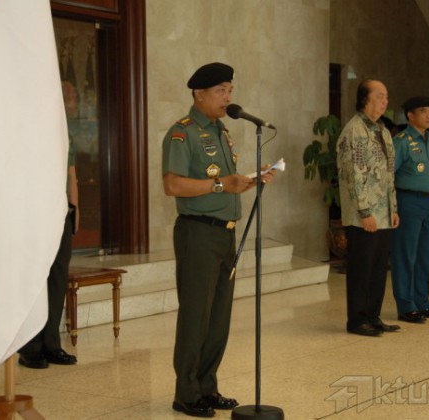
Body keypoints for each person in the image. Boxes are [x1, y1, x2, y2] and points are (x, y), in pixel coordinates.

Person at [162, 62, 275, 418]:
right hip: (198, 232)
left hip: (226, 233)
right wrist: (221, 184)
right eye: (220, 91)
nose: (227, 97)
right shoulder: (183, 134)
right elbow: (172, 185)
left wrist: (249, 181)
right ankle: (186, 393)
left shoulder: (222, 131)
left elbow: (225, 184)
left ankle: (207, 386)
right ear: (199, 94)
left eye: (230, 90)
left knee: (218, 317)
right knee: (196, 314)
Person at [336, 79, 400, 337]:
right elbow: (353, 175)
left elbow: (389, 174)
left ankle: (373, 316)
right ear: (365, 99)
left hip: (383, 213)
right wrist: (365, 212)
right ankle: (357, 320)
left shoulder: (382, 130)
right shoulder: (355, 130)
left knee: (377, 269)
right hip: (363, 216)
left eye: (386, 97)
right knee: (361, 269)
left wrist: (393, 208)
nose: (385, 101)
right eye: (380, 96)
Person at [18, 135, 79, 369]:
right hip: (33, 214)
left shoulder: (64, 134)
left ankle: (51, 344)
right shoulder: (28, 131)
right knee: (35, 279)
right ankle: (30, 347)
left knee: (57, 278)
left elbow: (71, 174)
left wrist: (74, 208)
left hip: (60, 212)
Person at [391, 97, 429, 324]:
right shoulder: (402, 141)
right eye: (423, 111)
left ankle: (422, 301)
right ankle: (406, 305)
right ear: (410, 115)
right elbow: (388, 174)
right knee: (406, 255)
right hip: (409, 201)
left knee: (425, 255)